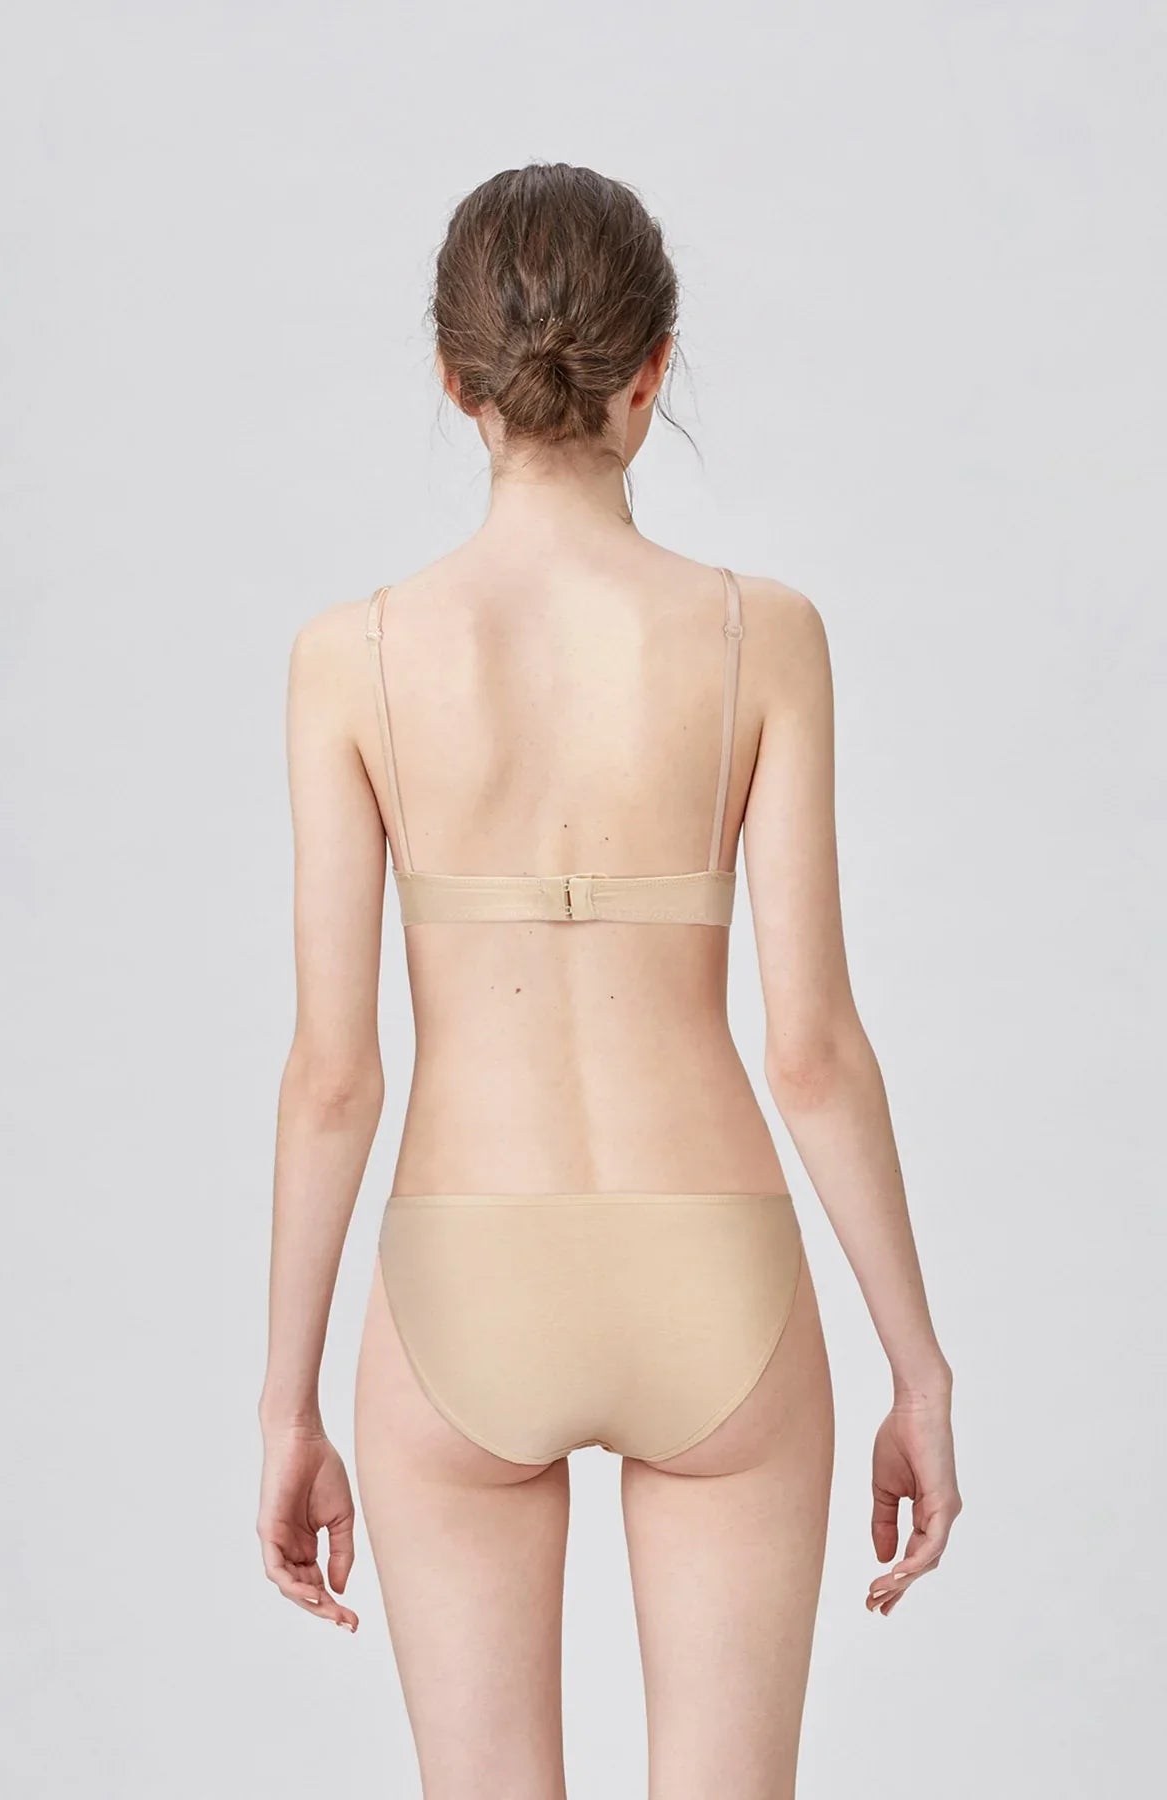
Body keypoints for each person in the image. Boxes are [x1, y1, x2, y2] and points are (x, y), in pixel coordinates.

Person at [256, 161, 962, 1800]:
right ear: (653, 371)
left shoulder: (351, 661)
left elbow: (332, 1077)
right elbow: (813, 1052)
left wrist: (287, 1408)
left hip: (461, 1277)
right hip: (713, 1269)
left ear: (456, 381)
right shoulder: (762, 637)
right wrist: (919, 1369)